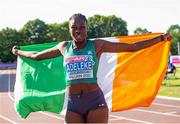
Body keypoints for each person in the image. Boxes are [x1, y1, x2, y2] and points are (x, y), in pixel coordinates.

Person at [12, 13, 171, 123]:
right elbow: (36, 56)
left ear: (87, 28)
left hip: (95, 102)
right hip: (73, 104)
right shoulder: (64, 47)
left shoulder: (97, 45)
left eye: (82, 27)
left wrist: (161, 38)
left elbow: (133, 47)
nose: (78, 30)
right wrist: (17, 52)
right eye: (74, 27)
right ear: (69, 29)